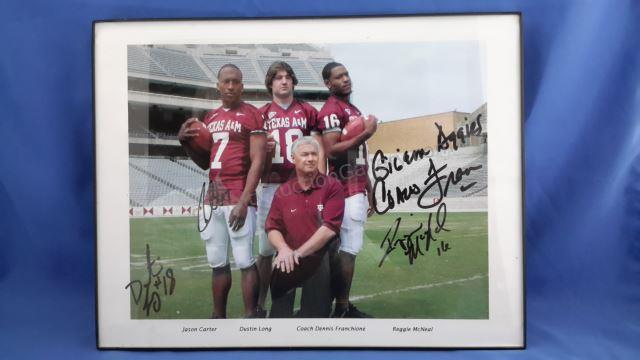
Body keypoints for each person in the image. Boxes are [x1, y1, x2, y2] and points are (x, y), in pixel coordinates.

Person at [178, 64, 266, 318]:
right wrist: (185, 143)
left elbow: (258, 161)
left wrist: (245, 200)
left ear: (242, 86)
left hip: (238, 193)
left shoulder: (253, 114)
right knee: (216, 262)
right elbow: (205, 162)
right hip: (213, 196)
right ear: (218, 85)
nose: (230, 86)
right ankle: (218, 317)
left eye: (235, 82)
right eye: (226, 81)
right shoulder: (211, 118)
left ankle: (251, 316)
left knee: (244, 260)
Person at [255, 61, 325, 315]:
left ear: (294, 81)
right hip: (272, 186)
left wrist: (321, 182)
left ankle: (307, 307)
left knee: (306, 246)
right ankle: (260, 304)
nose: (283, 81)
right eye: (278, 77)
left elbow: (318, 149)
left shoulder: (306, 111)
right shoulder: (261, 113)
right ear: (270, 83)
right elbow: (253, 157)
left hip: (302, 186)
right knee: (265, 250)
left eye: (287, 77)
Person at [317, 62, 377, 318]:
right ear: (329, 84)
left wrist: (370, 188)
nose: (345, 79)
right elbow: (331, 150)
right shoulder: (332, 110)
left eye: (346, 74)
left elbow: (358, 156)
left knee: (346, 250)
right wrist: (367, 133)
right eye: (338, 77)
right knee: (349, 249)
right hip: (344, 187)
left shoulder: (352, 109)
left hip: (357, 185)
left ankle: (338, 304)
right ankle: (341, 307)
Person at [265, 136, 344, 318]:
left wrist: (298, 253)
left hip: (319, 255)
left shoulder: (332, 186)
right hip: (289, 255)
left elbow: (329, 229)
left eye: (314, 154)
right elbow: (272, 227)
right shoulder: (283, 191)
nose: (310, 158)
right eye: (305, 154)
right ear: (294, 158)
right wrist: (283, 249)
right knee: (279, 317)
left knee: (315, 317)